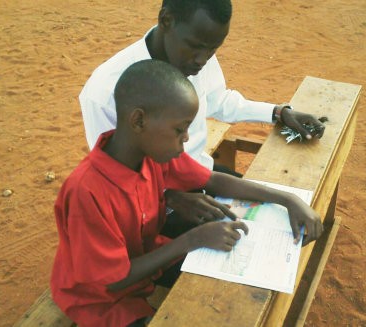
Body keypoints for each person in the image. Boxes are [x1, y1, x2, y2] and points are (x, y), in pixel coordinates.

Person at [52, 60, 323, 327]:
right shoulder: (86, 193)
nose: (186, 139)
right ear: (138, 121)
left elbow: (215, 179)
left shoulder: (150, 154)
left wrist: (288, 199)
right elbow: (112, 279)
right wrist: (192, 239)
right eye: (179, 129)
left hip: (147, 261)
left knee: (230, 283)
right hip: (101, 298)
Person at [79, 0, 325, 225]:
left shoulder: (197, 52)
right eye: (196, 47)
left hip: (201, 176)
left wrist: (278, 112)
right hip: (155, 209)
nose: (203, 59)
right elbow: (113, 173)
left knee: (276, 217)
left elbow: (220, 100)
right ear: (166, 20)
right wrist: (172, 198)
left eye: (213, 49)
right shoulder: (105, 91)